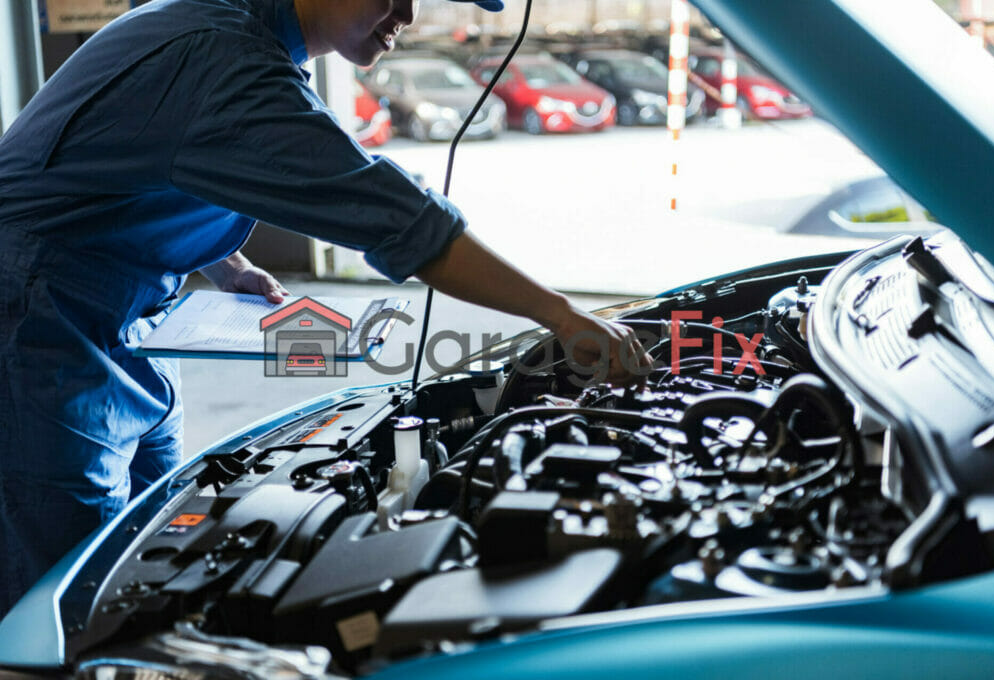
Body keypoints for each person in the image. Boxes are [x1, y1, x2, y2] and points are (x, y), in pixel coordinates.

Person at [0, 0, 652, 616]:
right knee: (64, 588)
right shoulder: (223, 57)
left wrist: (227, 264)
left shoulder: (236, 30)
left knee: (151, 543)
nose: (406, 13)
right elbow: (394, 216)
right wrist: (561, 315)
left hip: (111, 317)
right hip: (38, 323)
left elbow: (123, 167)